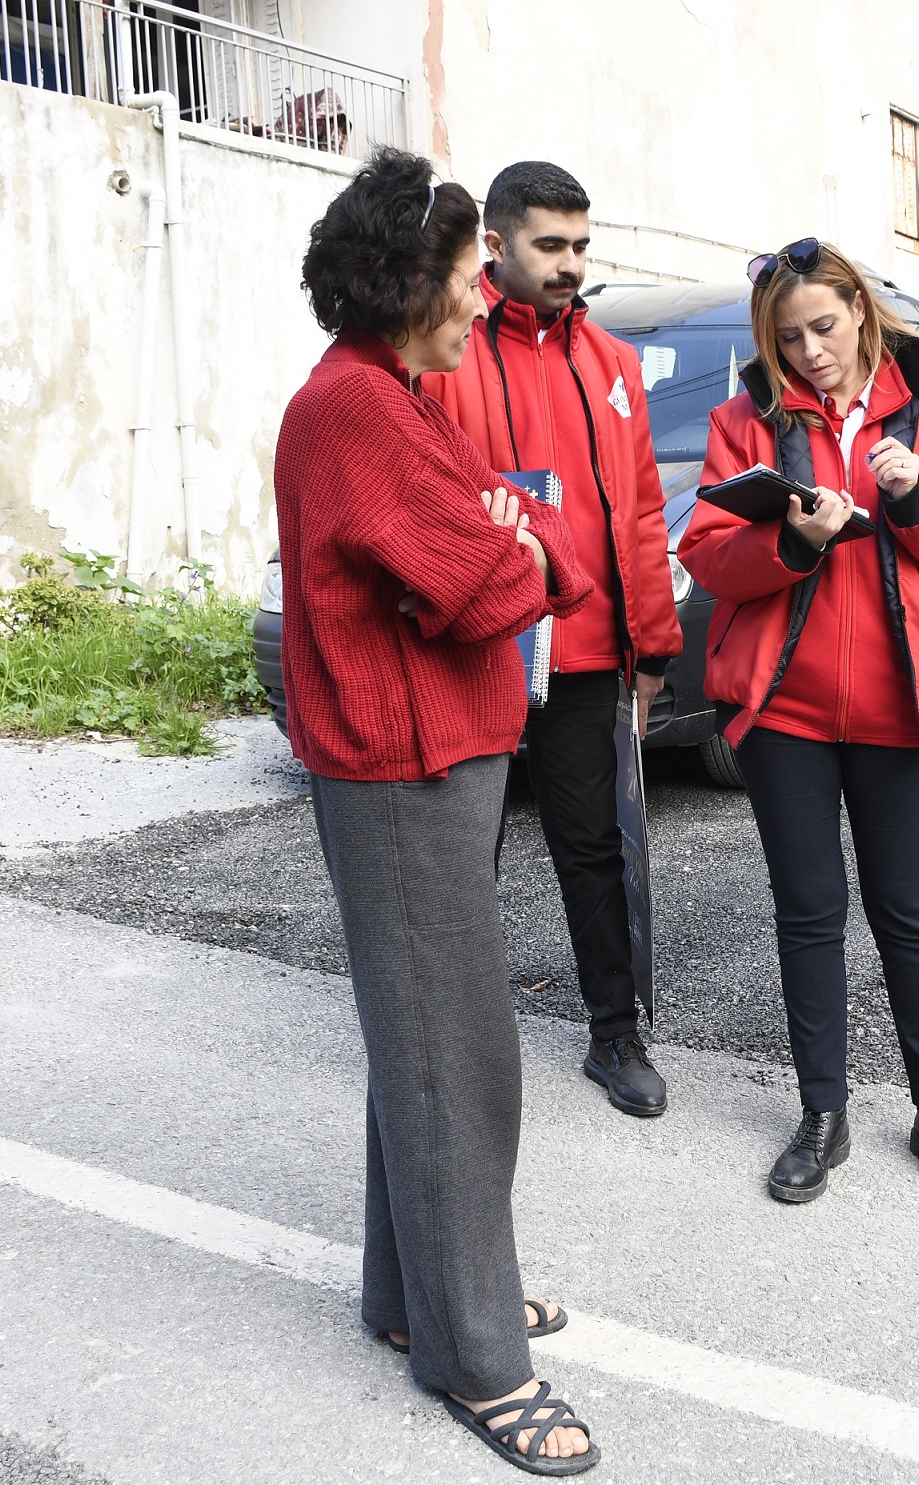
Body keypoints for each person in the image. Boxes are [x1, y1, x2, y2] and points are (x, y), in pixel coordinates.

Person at [275, 146, 602, 1475]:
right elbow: (487, 580)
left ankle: (414, 1294)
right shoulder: (353, 409)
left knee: (420, 1043)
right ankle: (474, 1353)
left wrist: (516, 543)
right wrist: (514, 546)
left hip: (441, 754)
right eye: (470, 275)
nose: (484, 296)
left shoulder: (399, 394)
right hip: (398, 767)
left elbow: (536, 543)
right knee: (456, 1057)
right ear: (411, 284)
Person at [679, 238, 919, 1205]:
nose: (810, 353)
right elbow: (707, 553)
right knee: (807, 913)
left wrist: (917, 497)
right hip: (783, 713)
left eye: (823, 328)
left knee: (909, 915)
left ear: (861, 312)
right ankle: (821, 1115)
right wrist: (791, 539)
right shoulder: (745, 421)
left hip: (901, 710)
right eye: (788, 338)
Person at [422, 161, 683, 1120]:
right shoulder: (444, 350)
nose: (571, 263)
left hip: (586, 653)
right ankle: (446, 1038)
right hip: (476, 648)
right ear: (495, 245)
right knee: (465, 850)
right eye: (550, 245)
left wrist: (651, 650)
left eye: (581, 245)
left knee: (596, 849)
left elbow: (642, 514)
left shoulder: (612, 364)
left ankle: (616, 1033)